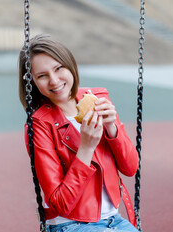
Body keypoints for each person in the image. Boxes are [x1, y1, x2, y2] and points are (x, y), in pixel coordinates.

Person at [19, 34, 139, 232]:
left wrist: (113, 129)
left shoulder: (96, 98)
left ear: (70, 65)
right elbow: (61, 204)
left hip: (114, 220)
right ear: (32, 83)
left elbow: (130, 168)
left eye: (59, 68)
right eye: (42, 76)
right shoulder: (39, 125)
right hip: (70, 224)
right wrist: (86, 147)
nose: (54, 80)